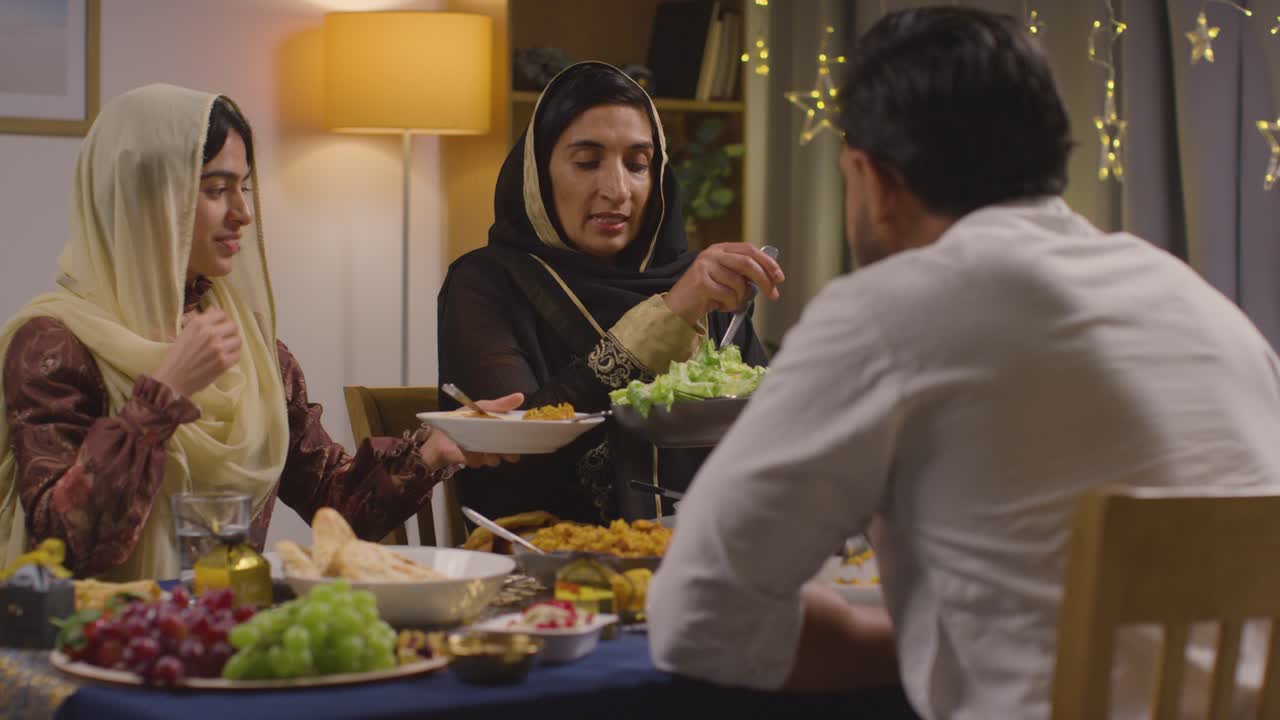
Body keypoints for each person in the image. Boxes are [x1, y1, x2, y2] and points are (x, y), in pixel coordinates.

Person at [647, 8, 1280, 719]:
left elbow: (695, 616)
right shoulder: (1203, 307)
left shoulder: (889, 310)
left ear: (871, 179)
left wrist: (919, 645)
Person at [0, 84, 519, 581]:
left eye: (243, 187)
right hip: (96, 631)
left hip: (226, 623)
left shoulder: (249, 347)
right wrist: (162, 397)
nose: (243, 214)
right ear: (146, 201)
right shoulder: (55, 345)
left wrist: (435, 449)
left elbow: (333, 502)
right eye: (215, 189)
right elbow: (65, 548)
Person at [438, 62, 784, 523]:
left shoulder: (703, 285)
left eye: (637, 165)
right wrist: (667, 318)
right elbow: (513, 460)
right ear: (539, 173)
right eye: (587, 162)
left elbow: (773, 439)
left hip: (705, 552)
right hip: (543, 557)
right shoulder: (487, 282)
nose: (618, 190)